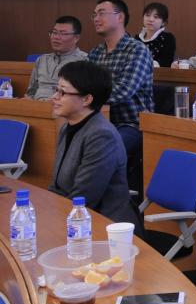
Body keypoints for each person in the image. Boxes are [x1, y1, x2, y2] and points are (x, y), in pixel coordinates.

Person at [48, 60, 139, 227]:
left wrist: (52, 221)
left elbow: (84, 197)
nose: (55, 97)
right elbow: (57, 186)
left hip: (104, 224)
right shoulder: (68, 127)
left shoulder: (101, 136)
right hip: (74, 216)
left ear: (86, 99)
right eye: (56, 90)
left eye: (63, 92)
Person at [88, 0, 153, 196]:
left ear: (120, 17)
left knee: (102, 148)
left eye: (101, 13)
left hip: (131, 124)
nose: (96, 18)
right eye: (94, 14)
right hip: (98, 121)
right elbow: (84, 86)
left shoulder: (137, 50)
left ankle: (107, 203)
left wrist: (88, 99)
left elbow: (124, 91)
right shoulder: (95, 53)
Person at [25, 16, 88, 100]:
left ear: (76, 38)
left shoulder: (85, 61)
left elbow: (84, 96)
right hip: (37, 105)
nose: (56, 37)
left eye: (63, 33)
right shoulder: (42, 60)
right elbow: (30, 93)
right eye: (54, 32)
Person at [135, 1, 176, 68]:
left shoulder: (168, 38)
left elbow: (167, 61)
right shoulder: (137, 38)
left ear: (163, 22)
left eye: (156, 17)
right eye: (147, 15)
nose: (151, 19)